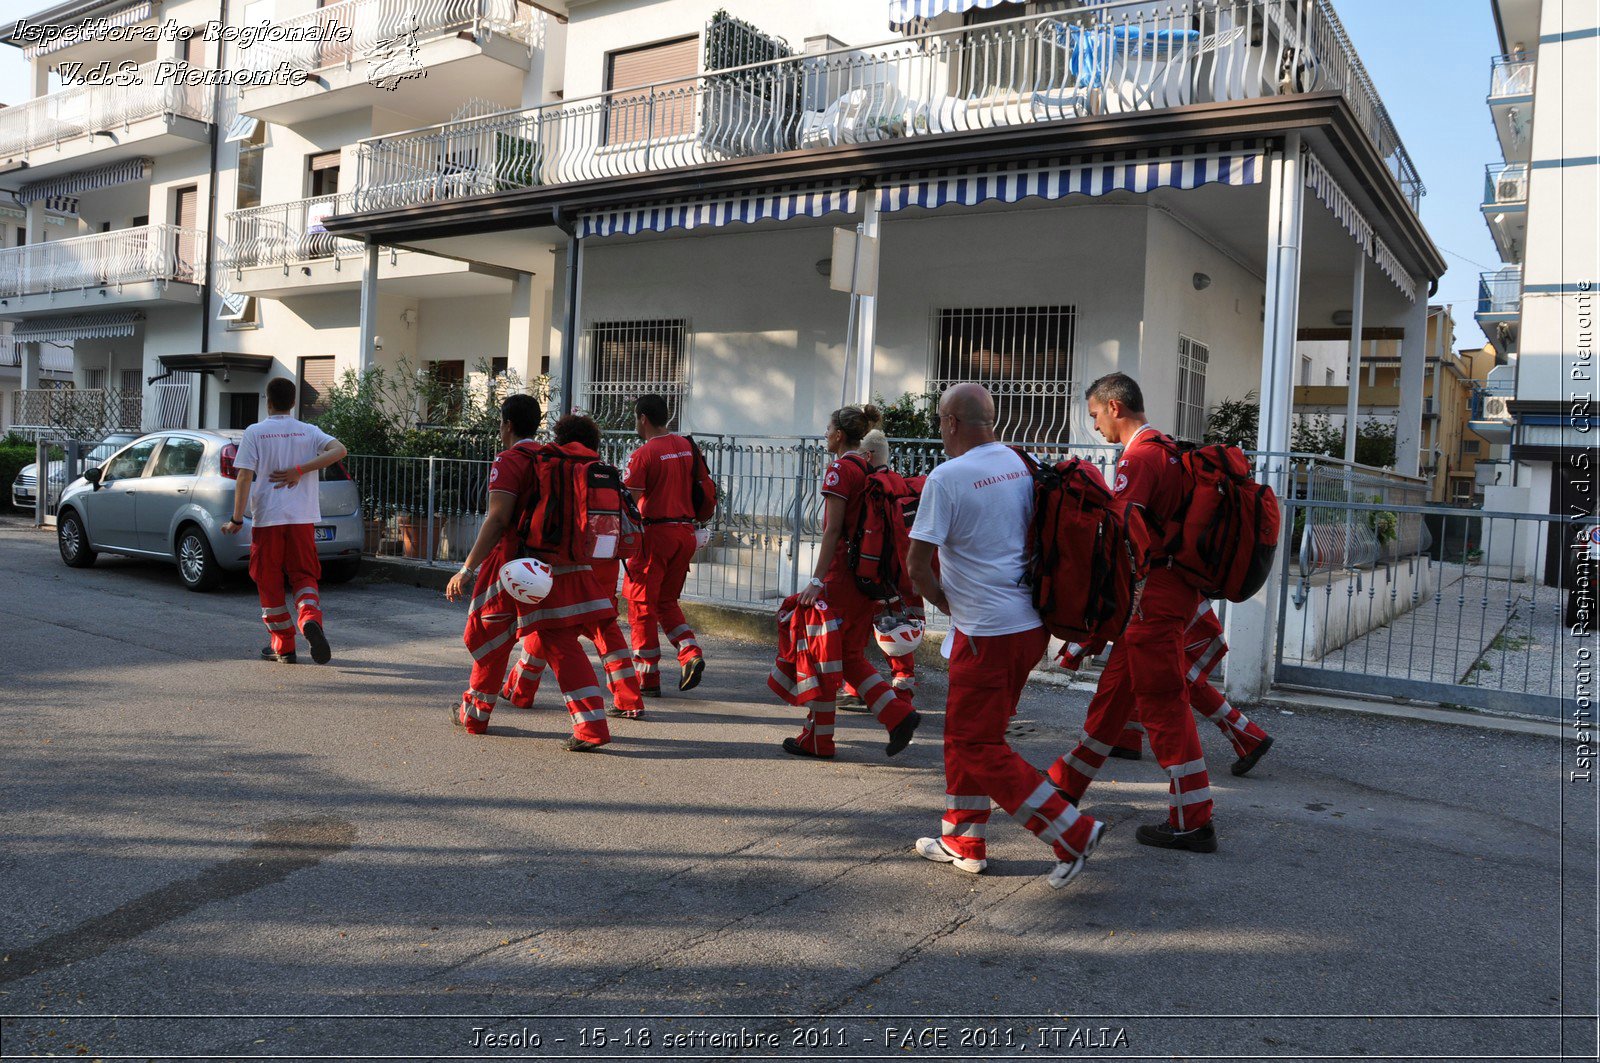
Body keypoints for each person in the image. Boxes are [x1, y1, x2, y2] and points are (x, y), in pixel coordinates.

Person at [904, 384, 1105, 889]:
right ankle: (963, 839)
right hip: (1030, 628)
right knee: (968, 734)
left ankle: (1071, 832)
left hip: (985, 634)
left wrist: (948, 605)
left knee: (976, 743)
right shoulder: (1023, 461)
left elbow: (917, 567)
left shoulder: (947, 478)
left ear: (950, 422)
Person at [1046, 373, 1218, 852]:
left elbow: (1123, 540)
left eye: (1096, 415)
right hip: (1167, 594)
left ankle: (1192, 819)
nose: (1096, 427)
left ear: (1115, 407)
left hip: (1153, 599)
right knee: (1115, 696)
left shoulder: (1139, 457)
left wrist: (1098, 609)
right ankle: (1066, 786)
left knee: (1163, 704)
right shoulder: (1167, 447)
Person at [445, 395, 612, 752]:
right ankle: (592, 727)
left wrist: (467, 568)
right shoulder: (551, 457)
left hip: (512, 567)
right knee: (563, 645)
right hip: (551, 566)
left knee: (490, 638)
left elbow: (498, 518)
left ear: (506, 425)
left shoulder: (510, 460)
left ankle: (474, 715)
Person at [785, 404, 921, 760]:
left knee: (823, 655)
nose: (825, 434)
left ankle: (819, 740)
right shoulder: (866, 466)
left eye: (828, 428)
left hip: (842, 576)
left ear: (840, 434)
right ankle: (897, 715)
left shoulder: (841, 470)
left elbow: (832, 529)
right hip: (867, 575)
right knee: (848, 655)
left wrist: (816, 579)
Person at [501, 414, 647, 720]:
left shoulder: (552, 464)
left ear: (561, 438)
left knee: (548, 628)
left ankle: (520, 691)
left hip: (563, 564)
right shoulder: (604, 472)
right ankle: (629, 699)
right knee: (607, 632)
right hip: (602, 564)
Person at [224, 376, 348, 665]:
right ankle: (309, 618)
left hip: (268, 519)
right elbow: (339, 450)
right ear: (293, 403)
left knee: (268, 579)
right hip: (302, 518)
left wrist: (236, 519)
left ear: (267, 401)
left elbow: (243, 476)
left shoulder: (255, 432)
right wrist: (300, 470)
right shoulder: (308, 431)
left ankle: (284, 645)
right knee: (304, 574)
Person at [1107, 602, 1274, 776]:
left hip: (1166, 606)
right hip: (1163, 604)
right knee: (1141, 663)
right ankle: (1127, 737)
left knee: (1179, 675)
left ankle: (1248, 736)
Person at [622, 395, 706, 696]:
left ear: (643, 418)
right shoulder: (686, 447)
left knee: (642, 605)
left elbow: (628, 499)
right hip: (685, 534)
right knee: (667, 602)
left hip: (656, 535)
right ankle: (690, 651)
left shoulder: (645, 453)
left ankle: (648, 677)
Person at [837, 428, 920, 712]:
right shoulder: (899, 483)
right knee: (898, 632)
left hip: (873, 572)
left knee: (865, 631)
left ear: (868, 455)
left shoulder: (869, 485)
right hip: (903, 571)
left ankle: (862, 690)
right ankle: (900, 690)